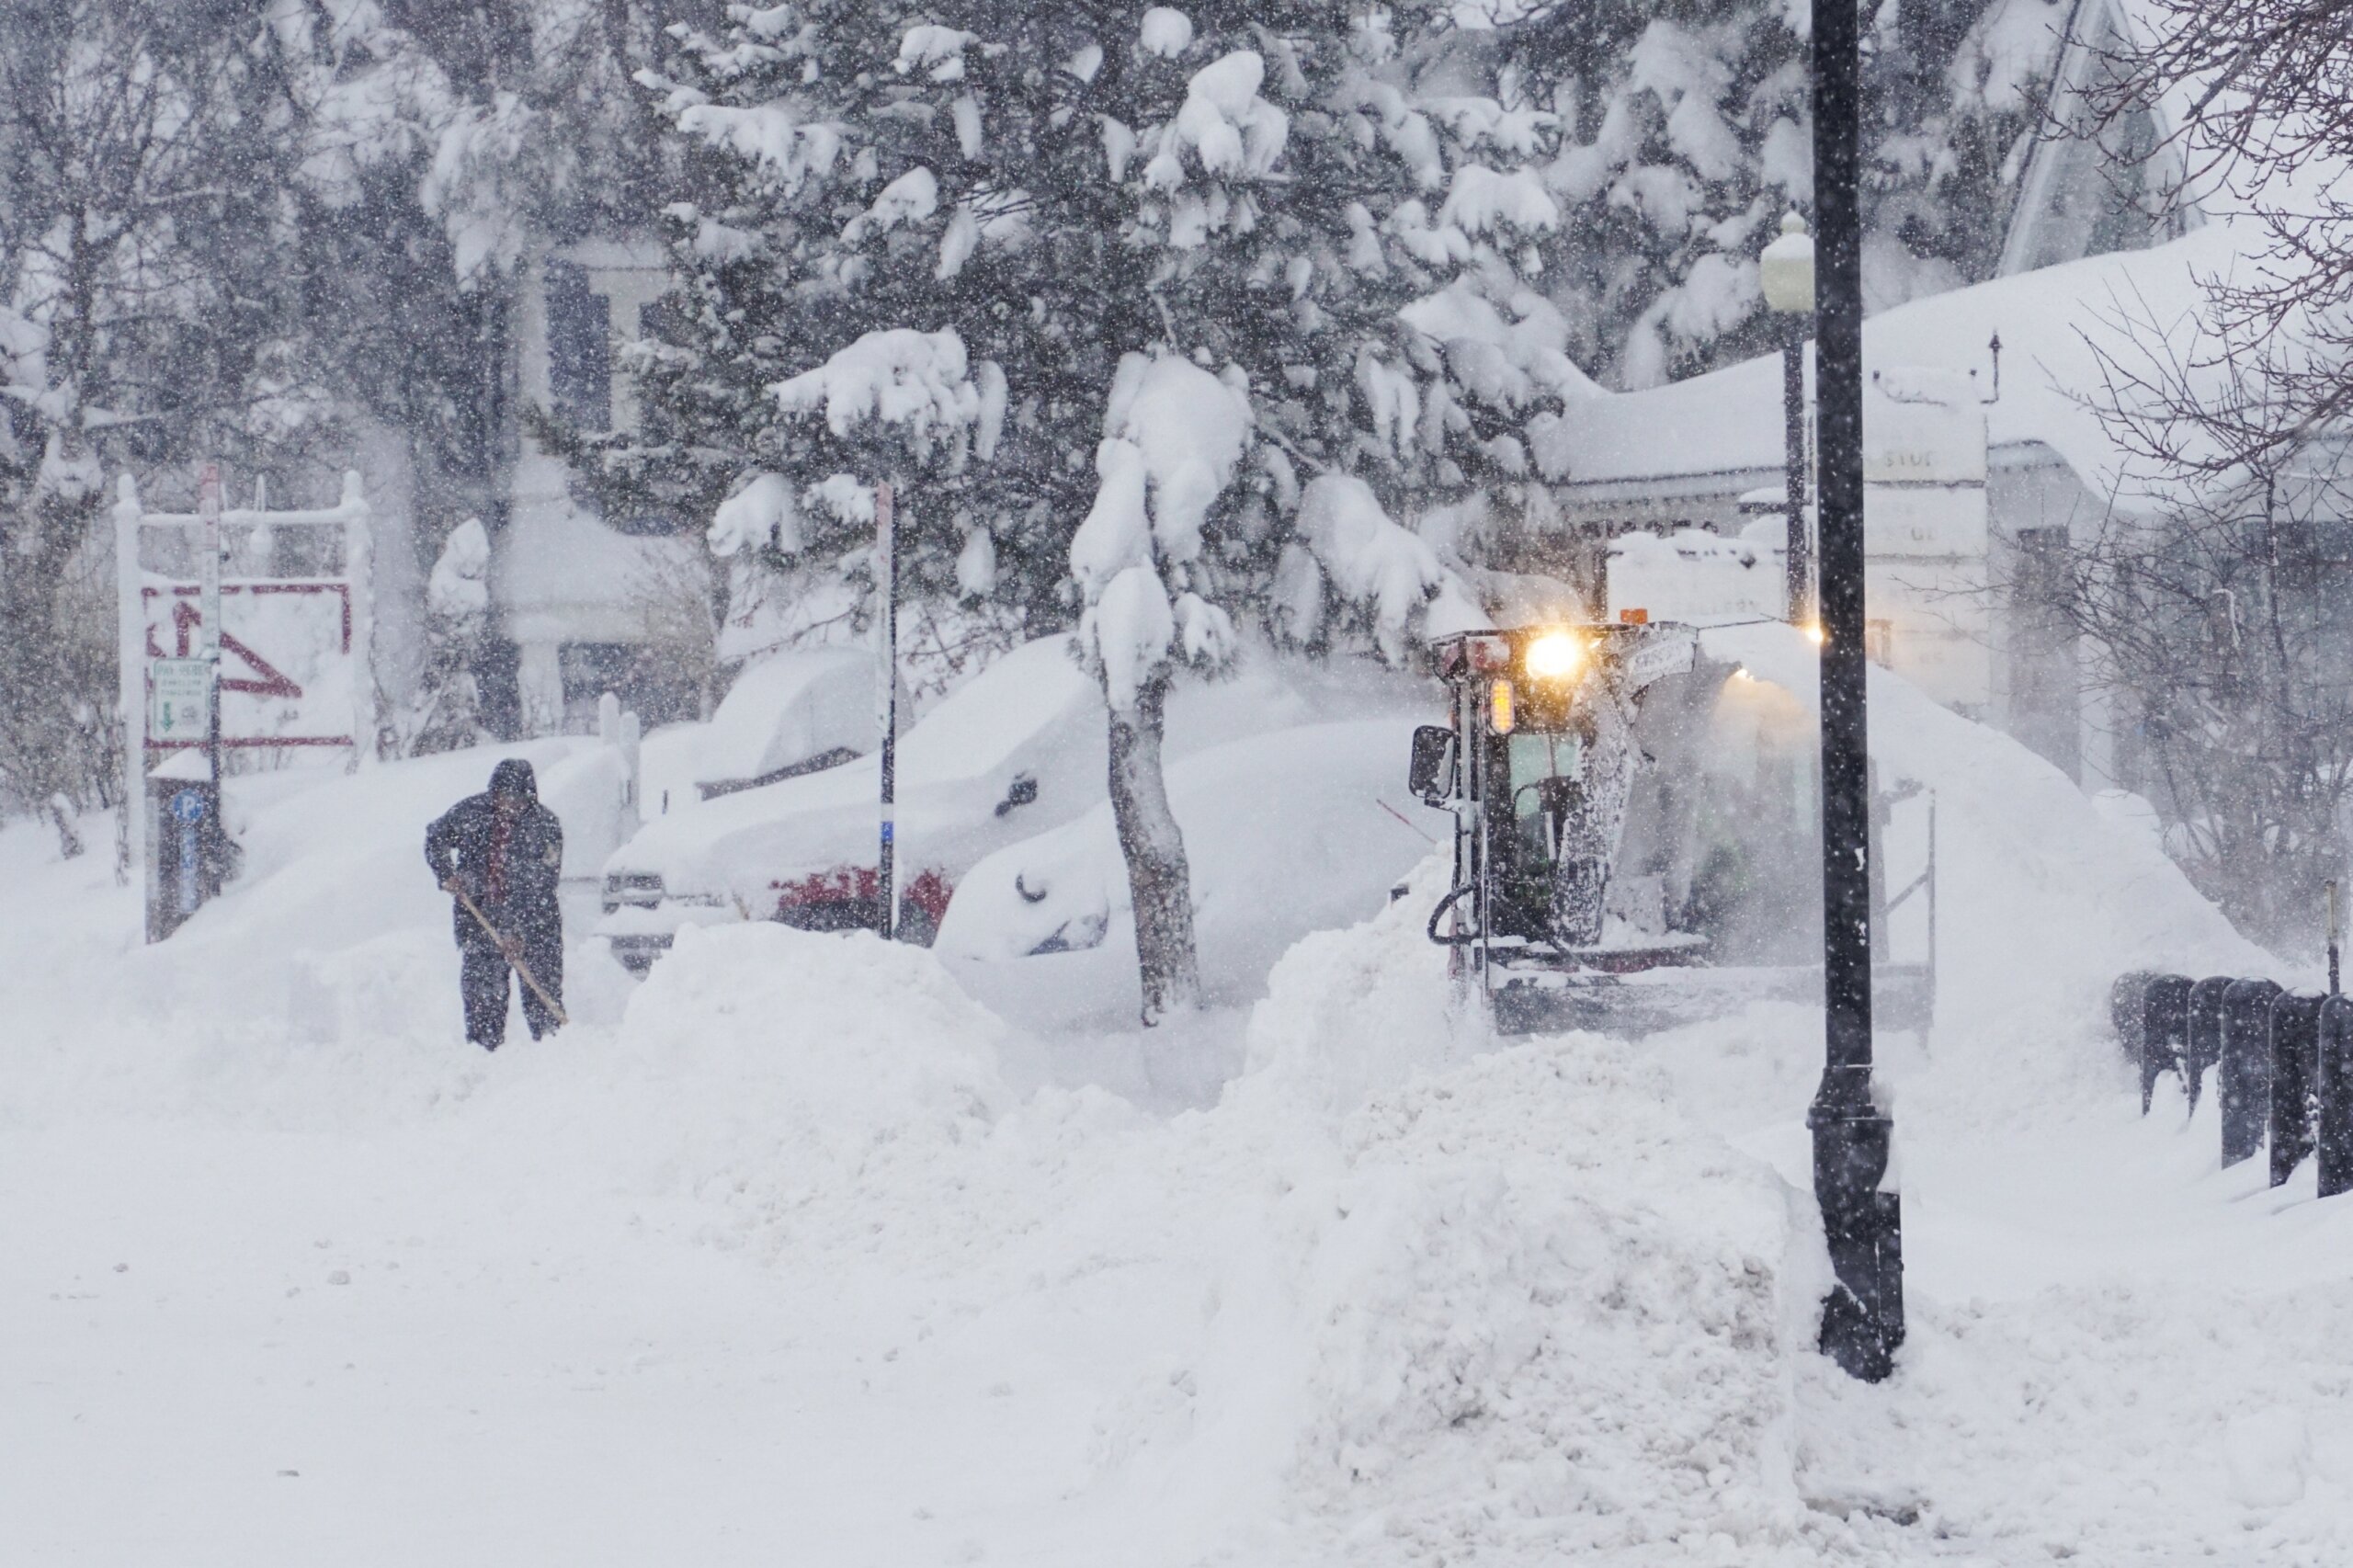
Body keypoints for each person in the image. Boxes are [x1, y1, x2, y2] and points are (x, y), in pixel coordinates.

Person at [425, 758, 565, 1050]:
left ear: (530, 797)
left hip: (536, 930)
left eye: (517, 798)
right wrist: (447, 874)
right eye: (502, 796)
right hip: (480, 922)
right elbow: (435, 836)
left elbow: (541, 885)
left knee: (544, 1007)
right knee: (483, 1006)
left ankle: (556, 1064)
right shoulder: (472, 814)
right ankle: (484, 1064)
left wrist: (519, 933)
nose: (509, 805)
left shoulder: (545, 827)